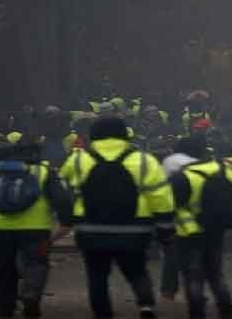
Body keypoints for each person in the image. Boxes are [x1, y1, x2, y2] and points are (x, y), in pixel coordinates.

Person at [59, 117, 175, 319]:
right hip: (135, 228)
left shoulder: (77, 159)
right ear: (125, 134)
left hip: (90, 228)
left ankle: (103, 313)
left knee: (97, 276)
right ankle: (145, 306)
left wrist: (68, 218)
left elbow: (61, 191)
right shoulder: (144, 160)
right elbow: (160, 196)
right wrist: (165, 227)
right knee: (137, 270)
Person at [0, 143, 73, 318]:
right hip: (36, 230)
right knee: (36, 264)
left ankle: (5, 306)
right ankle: (31, 295)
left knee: (3, 268)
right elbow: (62, 199)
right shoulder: (43, 171)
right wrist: (65, 222)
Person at [168, 136, 232, 319]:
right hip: (216, 231)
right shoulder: (225, 170)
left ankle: (197, 313)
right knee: (216, 275)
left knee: (193, 277)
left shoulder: (183, 175)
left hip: (189, 233)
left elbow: (172, 205)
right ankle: (227, 311)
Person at [158, 137, 208, 300]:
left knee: (171, 255)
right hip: (199, 215)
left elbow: (163, 184)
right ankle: (195, 291)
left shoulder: (170, 161)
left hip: (175, 215)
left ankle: (168, 289)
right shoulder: (202, 162)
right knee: (196, 257)